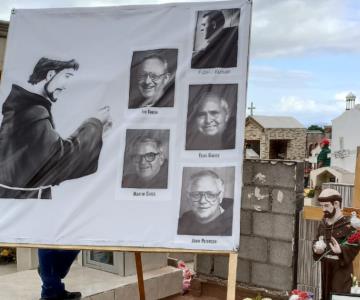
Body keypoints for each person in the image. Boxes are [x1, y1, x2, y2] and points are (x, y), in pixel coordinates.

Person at [0, 57, 111, 199]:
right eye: (67, 76)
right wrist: (95, 123)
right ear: (51, 75)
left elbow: (52, 152)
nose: (66, 86)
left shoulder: (23, 108)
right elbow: (59, 160)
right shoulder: (31, 112)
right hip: (24, 204)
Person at [312, 189, 360, 300]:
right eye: (321, 206)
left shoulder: (349, 225)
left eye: (326, 206)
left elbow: (355, 244)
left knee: (338, 296)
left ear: (336, 204)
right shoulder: (323, 223)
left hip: (341, 270)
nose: (323, 209)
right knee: (325, 294)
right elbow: (316, 240)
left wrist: (341, 250)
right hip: (326, 268)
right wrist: (316, 248)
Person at [177, 170, 233, 236]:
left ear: (220, 196)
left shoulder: (232, 226)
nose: (202, 201)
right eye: (196, 194)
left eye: (210, 194)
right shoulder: (183, 222)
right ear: (188, 197)